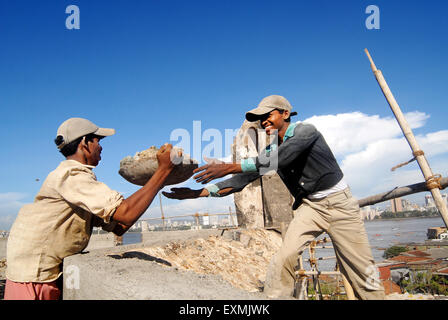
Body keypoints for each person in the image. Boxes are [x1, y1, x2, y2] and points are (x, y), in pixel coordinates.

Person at [163, 95, 385, 300]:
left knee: (361, 266)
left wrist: (230, 166)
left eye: (267, 115)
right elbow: (241, 180)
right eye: (260, 119)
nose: (263, 122)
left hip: (339, 204)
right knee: (283, 258)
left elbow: (280, 159)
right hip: (310, 207)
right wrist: (197, 193)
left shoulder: (306, 132)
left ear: (285, 114)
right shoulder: (271, 150)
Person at [5, 117, 177, 300]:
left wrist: (158, 180)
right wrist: (163, 171)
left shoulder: (78, 182)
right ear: (83, 143)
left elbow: (119, 225)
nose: (101, 147)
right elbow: (126, 213)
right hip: (33, 279)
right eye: (97, 141)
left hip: (42, 276)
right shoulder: (71, 176)